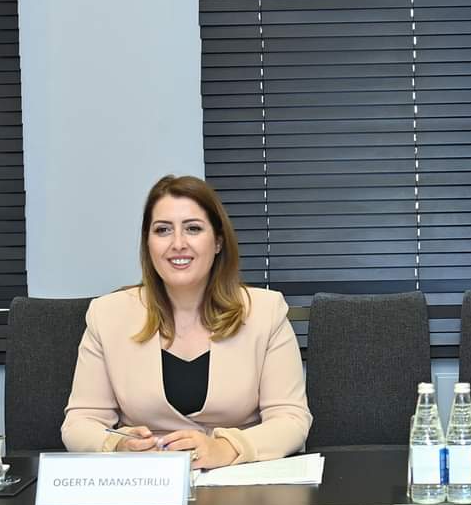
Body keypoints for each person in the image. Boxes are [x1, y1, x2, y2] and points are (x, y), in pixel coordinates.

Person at [61, 174, 312, 467]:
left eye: (193, 228)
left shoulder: (265, 311)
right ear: (148, 243)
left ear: (218, 241)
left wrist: (226, 449)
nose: (178, 243)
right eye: (163, 230)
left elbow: (291, 419)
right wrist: (118, 445)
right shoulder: (107, 314)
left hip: (237, 478)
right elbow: (80, 423)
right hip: (148, 479)